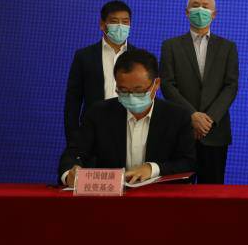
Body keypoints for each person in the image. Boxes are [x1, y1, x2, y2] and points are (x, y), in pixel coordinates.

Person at [59, 49, 196, 187]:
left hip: (159, 194)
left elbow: (188, 162)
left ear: (156, 84)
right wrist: (69, 174)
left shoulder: (178, 116)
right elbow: (73, 153)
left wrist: (153, 168)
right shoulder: (98, 113)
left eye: (139, 91)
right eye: (123, 91)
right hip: (112, 194)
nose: (131, 97)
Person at [160, 0, 239, 184]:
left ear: (214, 14)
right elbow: (167, 85)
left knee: (212, 191)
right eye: (195, 5)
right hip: (181, 130)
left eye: (205, 6)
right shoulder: (170, 46)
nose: (200, 9)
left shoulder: (227, 47)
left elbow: (231, 86)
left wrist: (208, 119)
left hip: (214, 132)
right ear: (187, 12)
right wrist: (192, 116)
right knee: (178, 191)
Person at [64, 0, 136, 147]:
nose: (120, 26)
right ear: (102, 24)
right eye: (114, 21)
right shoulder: (84, 56)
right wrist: (74, 139)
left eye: (125, 22)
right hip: (93, 132)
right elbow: (73, 101)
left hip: (131, 131)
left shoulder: (138, 57)